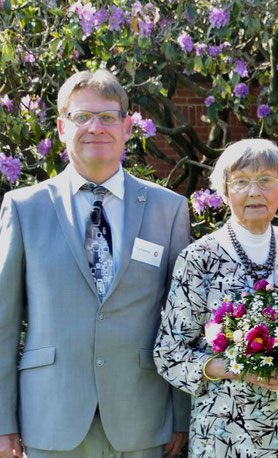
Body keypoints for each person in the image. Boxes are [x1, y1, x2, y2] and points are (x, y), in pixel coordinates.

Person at [0, 70, 190, 457]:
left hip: (142, 417)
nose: (95, 128)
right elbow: (2, 322)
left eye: (107, 117)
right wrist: (3, 420)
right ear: (61, 127)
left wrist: (180, 416)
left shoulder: (167, 209)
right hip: (49, 416)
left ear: (126, 126)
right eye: (82, 117)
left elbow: (181, 322)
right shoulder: (24, 207)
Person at [153, 138, 278, 457]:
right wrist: (233, 367)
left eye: (266, 180)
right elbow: (169, 353)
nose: (254, 192)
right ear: (225, 191)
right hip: (225, 432)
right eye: (242, 181)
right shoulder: (199, 257)